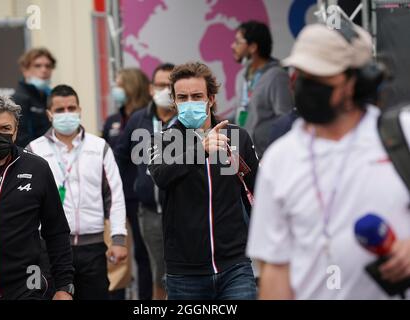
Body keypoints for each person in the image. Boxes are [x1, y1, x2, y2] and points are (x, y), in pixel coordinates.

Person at [247, 22, 410, 299]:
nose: (306, 85)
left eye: (320, 78)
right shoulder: (280, 159)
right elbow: (275, 269)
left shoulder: (402, 134)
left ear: (357, 82)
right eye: (301, 74)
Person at [148, 62, 259, 300]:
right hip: (185, 273)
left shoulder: (236, 136)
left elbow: (255, 192)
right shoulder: (162, 140)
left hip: (235, 266)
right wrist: (200, 150)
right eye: (183, 97)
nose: (190, 102)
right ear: (174, 102)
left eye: (197, 96)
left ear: (211, 98)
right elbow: (161, 176)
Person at [0, 95, 74, 300]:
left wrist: (64, 286)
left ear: (16, 130)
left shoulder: (37, 168)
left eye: (5, 128)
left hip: (26, 288)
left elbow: (56, 231)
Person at [27, 85, 128, 300]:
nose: (66, 114)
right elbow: (27, 203)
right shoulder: (34, 150)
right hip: (49, 249)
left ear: (80, 110)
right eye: (60, 110)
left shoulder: (100, 147)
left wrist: (118, 239)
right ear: (49, 114)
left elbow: (115, 196)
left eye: (71, 108)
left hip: (92, 247)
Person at [115, 63, 176, 300]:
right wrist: (130, 188)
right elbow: (120, 156)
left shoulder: (186, 121)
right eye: (160, 85)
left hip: (182, 211)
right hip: (149, 211)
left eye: (170, 86)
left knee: (181, 272)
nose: (165, 90)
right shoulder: (138, 119)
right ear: (151, 88)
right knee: (156, 272)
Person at [103, 68, 153, 300]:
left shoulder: (148, 118)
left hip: (140, 196)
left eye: (120, 84)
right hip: (115, 197)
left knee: (145, 256)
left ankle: (146, 300)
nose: (116, 89)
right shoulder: (113, 120)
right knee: (115, 253)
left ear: (132, 86)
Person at [232, 20, 293, 158]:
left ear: (253, 47)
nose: (233, 46)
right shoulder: (241, 76)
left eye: (237, 42)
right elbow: (242, 111)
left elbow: (286, 120)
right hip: (243, 158)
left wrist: (274, 154)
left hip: (268, 158)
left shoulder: (277, 75)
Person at [13, 48, 56, 147]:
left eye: (48, 66)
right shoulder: (18, 99)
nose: (44, 70)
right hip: (31, 156)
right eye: (37, 66)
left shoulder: (51, 96)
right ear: (25, 70)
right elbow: (20, 138)